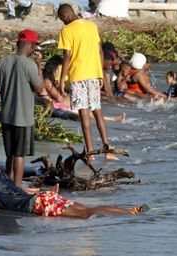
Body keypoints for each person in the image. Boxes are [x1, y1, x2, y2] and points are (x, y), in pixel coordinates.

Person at [0, 154, 146, 218]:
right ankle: (127, 210)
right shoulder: (0, 175)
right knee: (88, 209)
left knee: (85, 213)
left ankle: (129, 213)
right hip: (42, 199)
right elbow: (16, 192)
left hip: (38, 204)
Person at [57, 3, 114, 162]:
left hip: (78, 77)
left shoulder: (67, 31)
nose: (63, 22)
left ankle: (90, 153)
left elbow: (67, 56)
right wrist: (101, 74)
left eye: (62, 19)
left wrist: (62, 79)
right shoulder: (91, 26)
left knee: (84, 115)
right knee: (97, 112)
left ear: (66, 15)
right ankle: (107, 149)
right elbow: (100, 51)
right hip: (94, 76)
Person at [0, 29, 44, 186]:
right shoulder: (30, 65)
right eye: (34, 46)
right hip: (23, 119)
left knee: (10, 155)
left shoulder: (4, 61)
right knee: (20, 155)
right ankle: (17, 187)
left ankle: (8, 183)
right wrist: (39, 65)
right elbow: (40, 89)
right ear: (30, 46)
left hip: (6, 116)